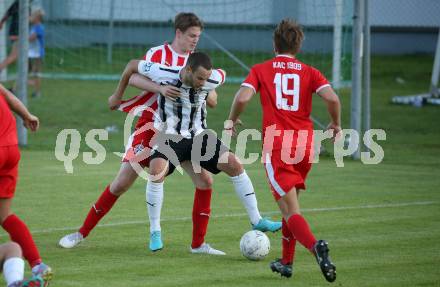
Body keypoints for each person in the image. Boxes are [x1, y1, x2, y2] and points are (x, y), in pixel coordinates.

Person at [59, 12, 280, 254]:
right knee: (122, 183)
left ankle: (199, 245)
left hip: (187, 132)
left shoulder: (198, 64)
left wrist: (205, 89)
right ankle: (81, 233)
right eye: (191, 36)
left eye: (198, 36)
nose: (195, 40)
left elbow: (213, 98)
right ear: (178, 33)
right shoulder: (158, 56)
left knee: (205, 180)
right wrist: (157, 89)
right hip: (151, 126)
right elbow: (134, 74)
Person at [111, 51, 279, 255]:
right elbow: (131, 65)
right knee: (156, 172)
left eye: (207, 79)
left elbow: (221, 78)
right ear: (188, 70)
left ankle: (257, 220)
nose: (203, 82)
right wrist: (122, 95)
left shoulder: (212, 78)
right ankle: (155, 231)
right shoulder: (163, 73)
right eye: (200, 78)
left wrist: (229, 116)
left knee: (234, 164)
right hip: (170, 135)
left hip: (199, 135)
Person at [226, 19, 339, 282]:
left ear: (274, 43)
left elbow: (243, 97)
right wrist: (336, 123)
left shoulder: (262, 69)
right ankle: (287, 262)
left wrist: (231, 120)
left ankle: (316, 247)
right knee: (291, 205)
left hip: (278, 145)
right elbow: (332, 98)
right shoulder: (310, 71)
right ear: (298, 45)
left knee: (290, 210)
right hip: (306, 145)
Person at [0, 84, 53, 286]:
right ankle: (38, 265)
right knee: (4, 215)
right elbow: (10, 98)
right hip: (11, 148)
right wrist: (27, 116)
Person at [28, 8, 45, 98]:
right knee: (32, 72)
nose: (30, 17)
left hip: (38, 53)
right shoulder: (33, 27)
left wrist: (18, 38)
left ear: (37, 18)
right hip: (31, 53)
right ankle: (31, 87)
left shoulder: (39, 27)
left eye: (32, 16)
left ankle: (37, 92)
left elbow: (31, 38)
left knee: (36, 73)